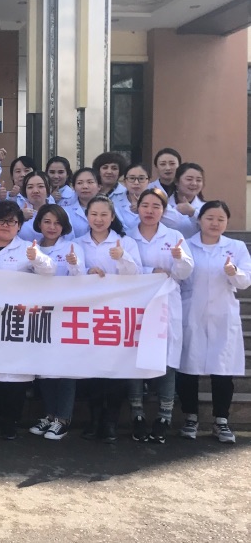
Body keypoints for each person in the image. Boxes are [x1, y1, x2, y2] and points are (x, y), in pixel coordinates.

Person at [0, 201, 54, 439]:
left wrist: (37, 259)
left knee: (15, 376)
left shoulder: (28, 248)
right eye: (1, 220)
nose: (6, 225)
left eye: (12, 222)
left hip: (17, 321)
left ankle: (10, 421)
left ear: (19, 226)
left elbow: (49, 271)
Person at [177, 201, 250, 444]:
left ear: (227, 222)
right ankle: (190, 417)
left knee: (223, 370)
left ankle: (221, 420)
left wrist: (234, 273)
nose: (215, 223)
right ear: (199, 220)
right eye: (210, 218)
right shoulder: (186, 245)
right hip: (192, 313)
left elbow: (245, 281)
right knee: (188, 369)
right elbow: (178, 276)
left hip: (223, 314)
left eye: (220, 219)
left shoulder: (236, 247)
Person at [127, 187, 194, 443]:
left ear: (164, 211)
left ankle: (164, 416)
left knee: (166, 359)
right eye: (145, 205)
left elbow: (185, 272)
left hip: (166, 303)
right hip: (137, 304)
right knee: (135, 357)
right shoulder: (128, 235)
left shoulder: (174, 236)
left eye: (156, 206)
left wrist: (179, 259)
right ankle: (137, 414)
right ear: (137, 207)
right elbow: (126, 269)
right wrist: (151, 271)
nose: (150, 211)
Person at [76, 194, 141, 443]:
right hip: (88, 315)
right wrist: (86, 271)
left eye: (104, 214)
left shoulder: (126, 243)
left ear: (112, 217)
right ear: (87, 216)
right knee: (92, 369)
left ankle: (111, 421)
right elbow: (70, 276)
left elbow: (136, 274)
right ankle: (94, 419)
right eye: (94, 214)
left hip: (118, 314)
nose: (99, 219)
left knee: (116, 370)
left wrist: (122, 257)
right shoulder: (78, 243)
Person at [27, 204, 85, 441]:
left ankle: (63, 418)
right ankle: (49, 415)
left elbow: (81, 277)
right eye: (47, 222)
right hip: (39, 315)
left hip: (65, 315)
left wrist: (74, 263)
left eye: (57, 223)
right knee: (44, 369)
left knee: (65, 369)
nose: (52, 227)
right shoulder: (31, 247)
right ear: (39, 223)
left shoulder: (73, 247)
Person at [162, 162, 205, 238]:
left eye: (198, 180)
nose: (194, 183)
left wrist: (193, 213)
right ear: (176, 181)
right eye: (189, 179)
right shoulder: (163, 204)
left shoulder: (206, 207)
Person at [65, 168, 101, 238]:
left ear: (99, 186)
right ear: (73, 187)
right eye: (80, 183)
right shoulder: (65, 211)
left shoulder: (110, 209)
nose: (85, 186)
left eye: (90, 182)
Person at [18, 171, 54, 242]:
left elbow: (67, 239)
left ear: (49, 189)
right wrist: (20, 217)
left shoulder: (59, 213)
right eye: (30, 187)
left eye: (40, 186)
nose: (35, 191)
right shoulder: (16, 213)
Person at [116, 163, 151, 233]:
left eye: (141, 178)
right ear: (125, 181)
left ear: (149, 181)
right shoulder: (114, 202)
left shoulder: (157, 200)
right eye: (132, 178)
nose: (136, 183)